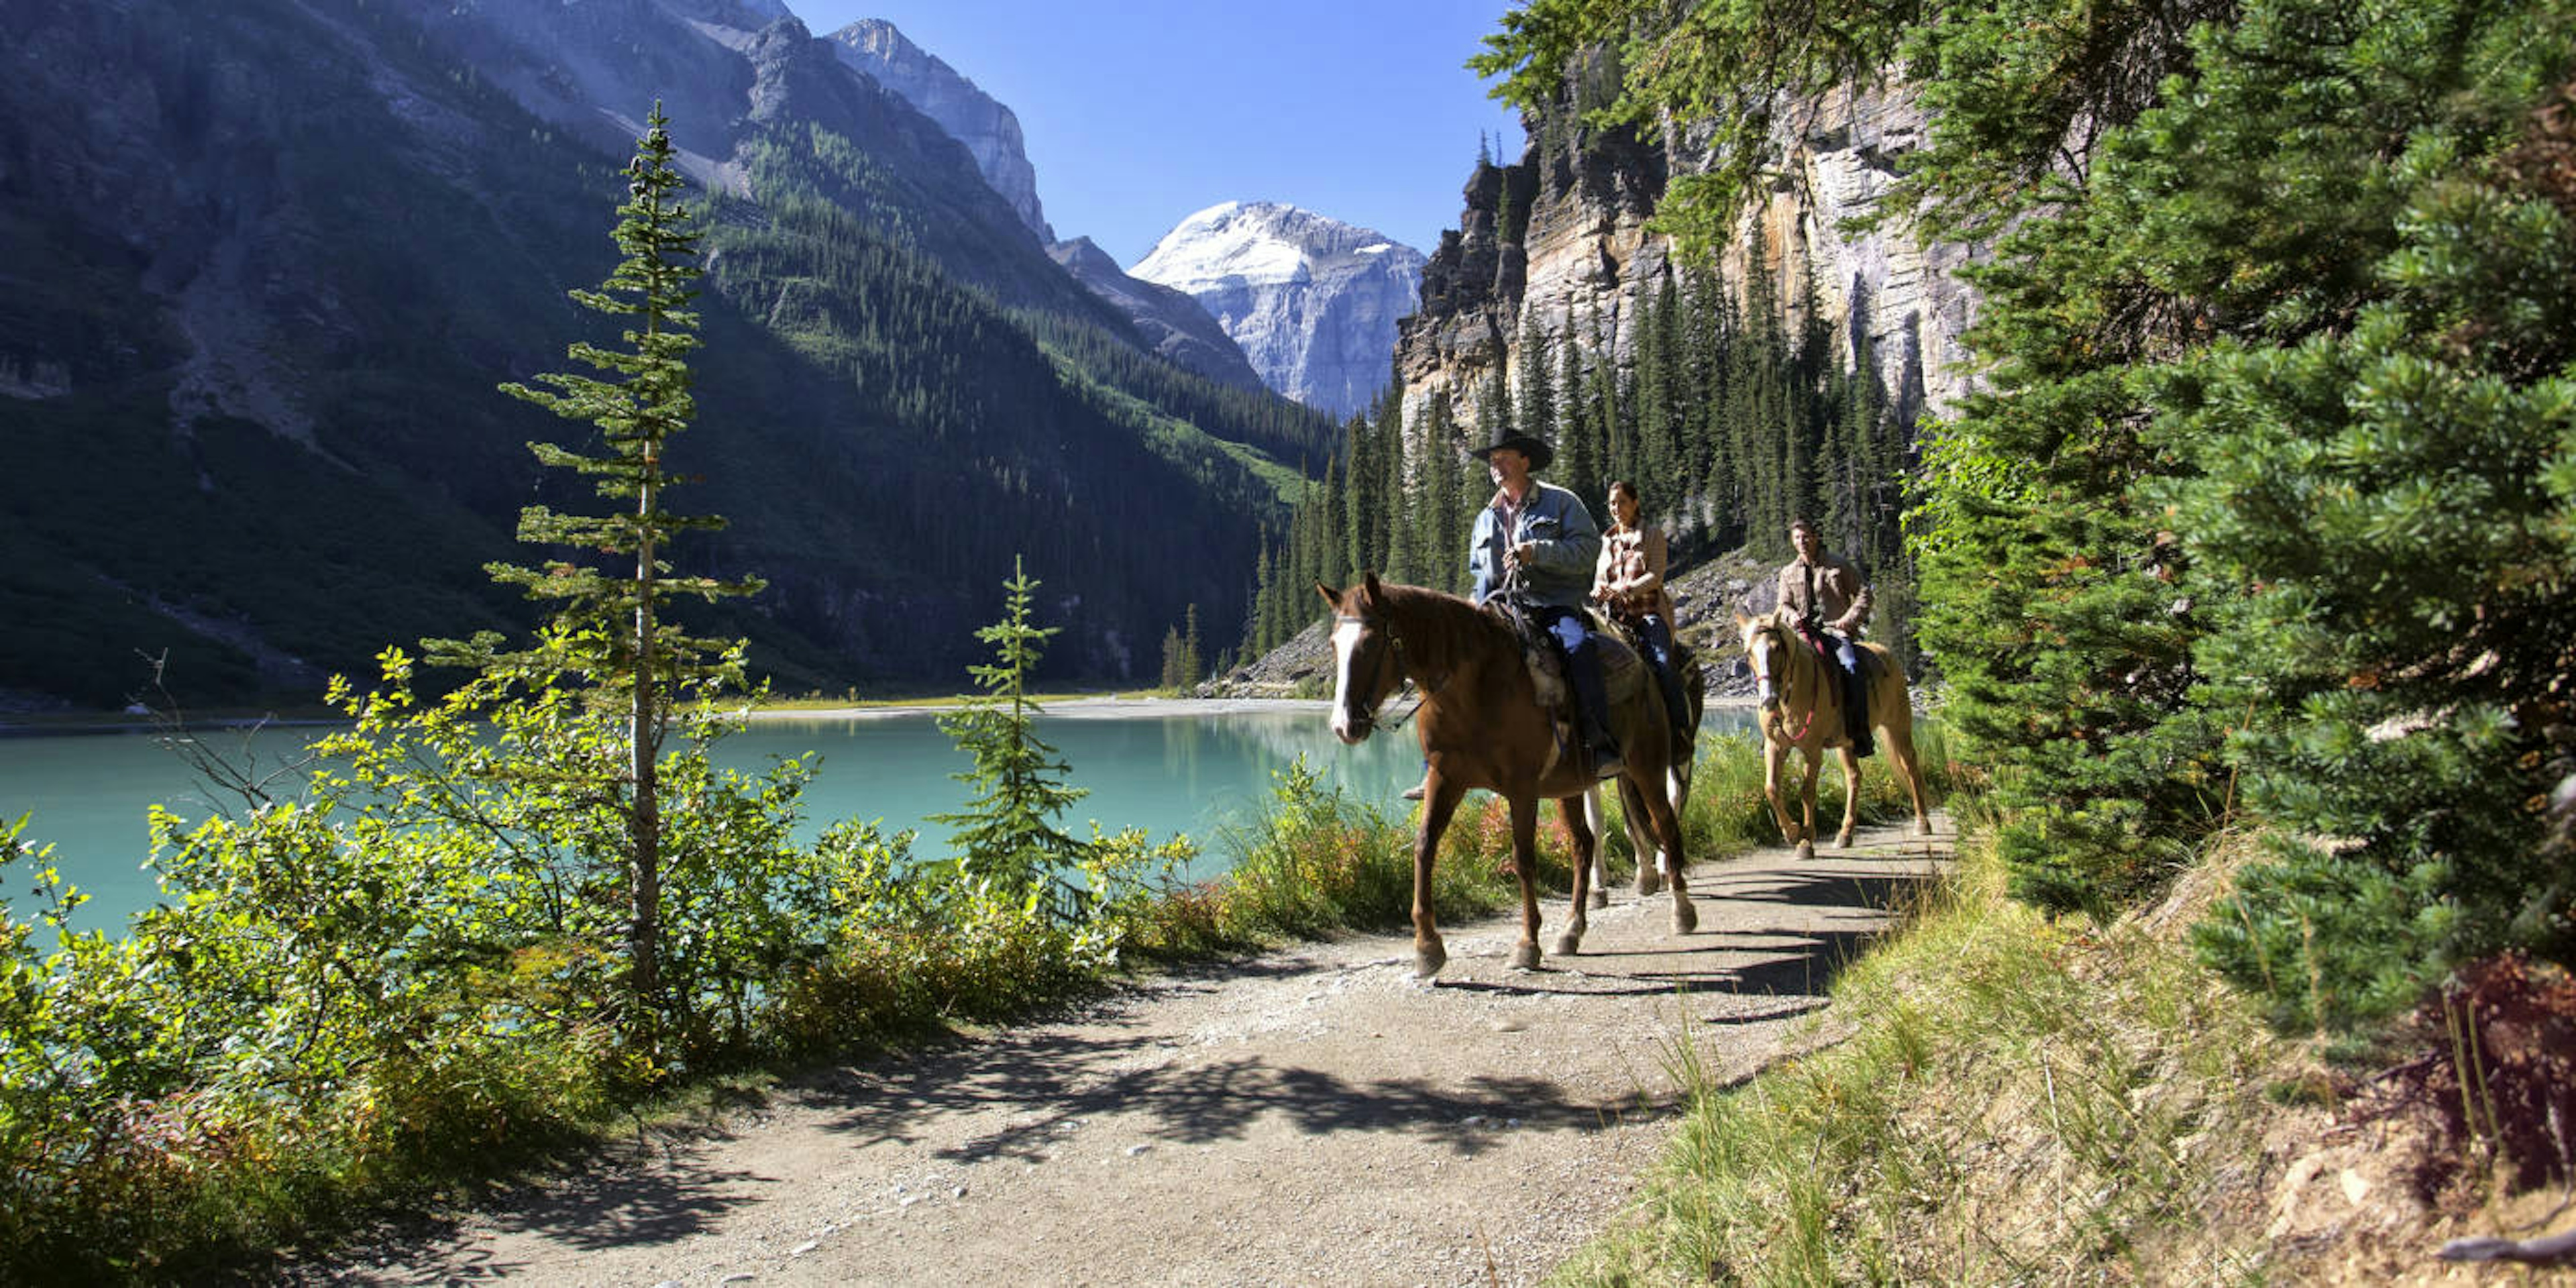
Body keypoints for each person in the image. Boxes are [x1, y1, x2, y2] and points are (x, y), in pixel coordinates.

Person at [1466, 423, 1621, 778]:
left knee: (1578, 648)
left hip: (1552, 605)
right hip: (1501, 609)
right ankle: (1448, 761)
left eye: (1503, 458)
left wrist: (1536, 552)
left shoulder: (1561, 502)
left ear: (1525, 460)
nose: (1496, 466)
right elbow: (1479, 573)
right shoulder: (1485, 518)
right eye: (1492, 460)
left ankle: (1600, 745)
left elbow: (1588, 551)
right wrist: (1474, 612)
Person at [1592, 481, 1691, 760]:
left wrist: (1626, 589)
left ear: (1635, 503)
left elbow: (1656, 576)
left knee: (1662, 663)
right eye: (1612, 503)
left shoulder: (1652, 534)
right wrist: (1599, 589)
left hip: (1647, 615)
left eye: (1622, 502)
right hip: (1616, 618)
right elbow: (1599, 578)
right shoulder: (1607, 540)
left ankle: (1679, 732)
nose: (1616, 508)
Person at [1776, 515, 1874, 757]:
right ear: (1792, 541)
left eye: (1806, 536)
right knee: (1775, 667)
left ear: (1816, 537)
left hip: (1835, 632)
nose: (1802, 541)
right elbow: (1783, 605)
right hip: (1802, 636)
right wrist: (1792, 618)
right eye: (1797, 538)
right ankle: (1774, 731)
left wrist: (1848, 620)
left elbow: (1864, 593)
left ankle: (1860, 732)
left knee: (1851, 666)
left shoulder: (1837, 564)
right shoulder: (1788, 573)